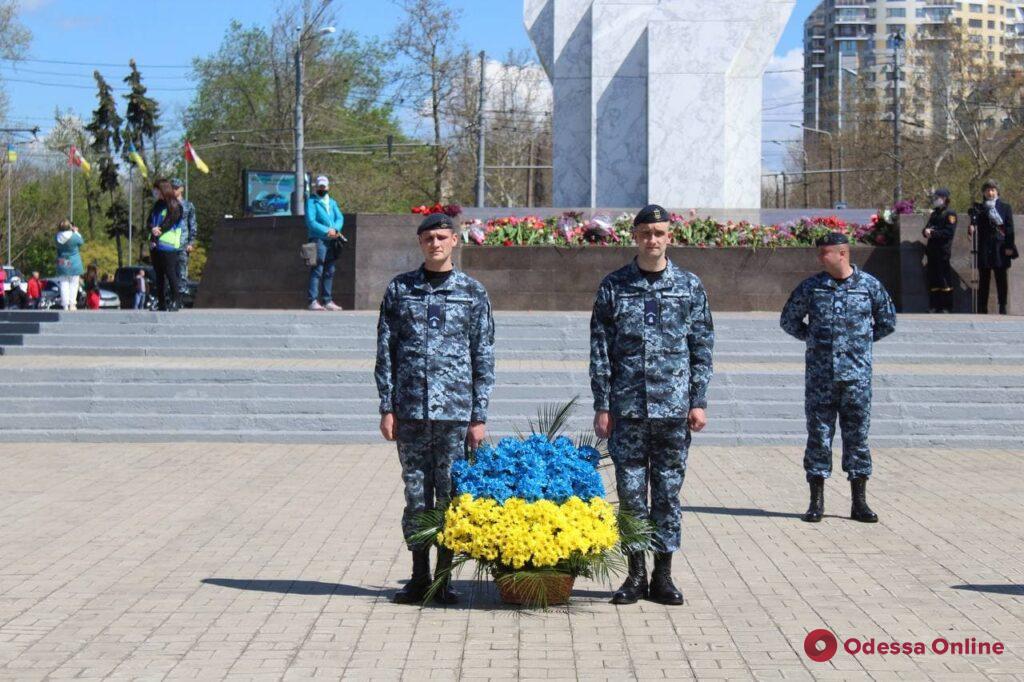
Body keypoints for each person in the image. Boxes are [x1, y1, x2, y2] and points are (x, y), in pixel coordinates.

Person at [589, 204, 715, 606]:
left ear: (669, 237)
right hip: (627, 410)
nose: (653, 240)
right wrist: (602, 404)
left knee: (666, 494)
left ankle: (663, 576)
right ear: (635, 237)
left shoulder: (689, 286)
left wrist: (698, 401)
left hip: (672, 411)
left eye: (659, 233)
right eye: (646, 233)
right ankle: (634, 575)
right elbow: (600, 349)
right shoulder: (614, 286)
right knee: (630, 495)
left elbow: (702, 347)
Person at [375, 212, 495, 605]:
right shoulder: (400, 290)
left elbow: (484, 356)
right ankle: (418, 575)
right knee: (415, 497)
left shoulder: (473, 293)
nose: (436, 244)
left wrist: (478, 416)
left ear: (455, 241)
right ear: (420, 243)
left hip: (454, 415)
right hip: (410, 411)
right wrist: (387, 406)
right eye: (429, 238)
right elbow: (386, 352)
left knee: (449, 496)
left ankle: (444, 579)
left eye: (443, 237)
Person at [780, 233, 896, 524]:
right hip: (821, 378)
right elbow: (789, 320)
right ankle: (816, 502)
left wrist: (861, 345)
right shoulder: (812, 287)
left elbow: (887, 322)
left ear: (842, 254)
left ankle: (859, 503)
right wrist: (814, 340)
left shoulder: (869, 286)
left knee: (857, 438)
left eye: (825, 253)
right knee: (819, 437)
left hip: (857, 379)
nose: (820, 258)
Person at [968, 179, 1018, 314]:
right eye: (987, 190)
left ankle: (1002, 305)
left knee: (1001, 278)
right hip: (985, 248)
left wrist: (1009, 246)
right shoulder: (979, 208)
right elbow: (973, 218)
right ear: (984, 193)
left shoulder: (1005, 207)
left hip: (1001, 248)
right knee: (984, 279)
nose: (990, 193)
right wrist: (972, 225)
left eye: (993, 190)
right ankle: (982, 307)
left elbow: (1009, 228)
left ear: (997, 192)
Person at [305, 175, 345, 311]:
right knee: (317, 270)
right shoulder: (312, 201)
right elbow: (311, 222)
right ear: (316, 187)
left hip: (332, 241)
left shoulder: (332, 202)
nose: (322, 189)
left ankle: (327, 301)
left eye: (324, 186)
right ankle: (313, 301)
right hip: (318, 240)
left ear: (328, 187)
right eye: (320, 186)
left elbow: (340, 217)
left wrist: (336, 229)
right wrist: (327, 231)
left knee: (330, 270)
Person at [148, 179, 186, 311]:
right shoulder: (157, 205)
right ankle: (161, 302)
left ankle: (176, 301)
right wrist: (152, 228)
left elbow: (171, 220)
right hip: (155, 244)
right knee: (158, 275)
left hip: (168, 246)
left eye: (157, 189)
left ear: (163, 189)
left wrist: (160, 229)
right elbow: (150, 220)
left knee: (170, 274)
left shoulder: (175, 205)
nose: (155, 192)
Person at [923, 188, 958, 313]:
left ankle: (946, 306)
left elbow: (948, 232)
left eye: (937, 197)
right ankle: (934, 305)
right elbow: (926, 228)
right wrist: (926, 231)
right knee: (933, 278)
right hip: (932, 251)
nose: (935, 200)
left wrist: (933, 233)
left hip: (943, 251)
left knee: (944, 278)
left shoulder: (950, 214)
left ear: (944, 199)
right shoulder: (935, 213)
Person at [171, 178, 198, 299]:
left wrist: (191, 242)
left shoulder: (188, 205)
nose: (174, 190)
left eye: (176, 188)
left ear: (181, 189)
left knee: (182, 270)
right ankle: (171, 294)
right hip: (169, 242)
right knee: (170, 270)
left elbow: (192, 224)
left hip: (183, 242)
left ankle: (180, 297)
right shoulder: (167, 204)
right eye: (172, 188)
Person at [55, 219, 84, 311]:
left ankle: (65, 305)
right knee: (74, 284)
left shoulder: (56, 237)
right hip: (74, 262)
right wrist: (76, 232)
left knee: (64, 284)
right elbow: (81, 242)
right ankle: (72, 304)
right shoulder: (74, 236)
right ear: (69, 227)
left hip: (62, 261)